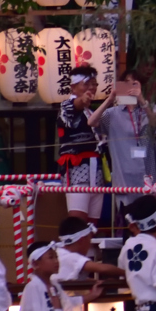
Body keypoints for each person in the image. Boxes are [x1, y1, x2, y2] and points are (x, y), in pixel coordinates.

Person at [97, 70, 156, 213]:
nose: (130, 88)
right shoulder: (113, 114)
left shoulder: (149, 109)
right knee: (129, 224)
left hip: (148, 176)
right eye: (126, 83)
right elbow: (92, 122)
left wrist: (142, 100)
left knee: (148, 221)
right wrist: (110, 99)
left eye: (134, 84)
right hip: (124, 177)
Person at [58, 64, 107, 224]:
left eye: (94, 84)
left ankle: (89, 249)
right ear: (73, 86)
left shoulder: (91, 112)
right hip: (77, 168)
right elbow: (76, 106)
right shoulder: (66, 106)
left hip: (96, 169)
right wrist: (82, 100)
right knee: (77, 221)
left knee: (92, 224)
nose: (92, 88)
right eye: (87, 84)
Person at [56, 217, 124, 281]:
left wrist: (102, 282)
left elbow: (80, 280)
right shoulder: (71, 257)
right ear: (81, 240)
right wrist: (126, 273)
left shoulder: (59, 252)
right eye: (89, 240)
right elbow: (103, 269)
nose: (89, 245)